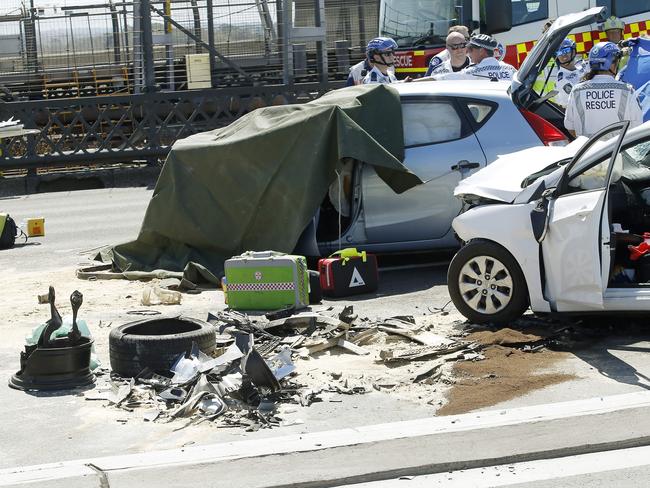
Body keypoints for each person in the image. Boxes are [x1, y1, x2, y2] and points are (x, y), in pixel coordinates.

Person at [564, 42, 643, 138]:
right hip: (618, 151)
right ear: (612, 63)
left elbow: (570, 127)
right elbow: (637, 127)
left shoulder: (576, 91)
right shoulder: (627, 91)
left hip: (589, 152)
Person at [426, 34, 517, 81]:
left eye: (470, 49)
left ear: (481, 50)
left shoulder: (472, 72)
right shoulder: (510, 69)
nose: (467, 52)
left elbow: (440, 78)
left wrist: (414, 81)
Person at [552, 38, 588, 108]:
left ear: (574, 51)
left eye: (566, 50)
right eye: (559, 53)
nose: (563, 55)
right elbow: (580, 99)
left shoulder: (584, 64)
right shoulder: (562, 80)